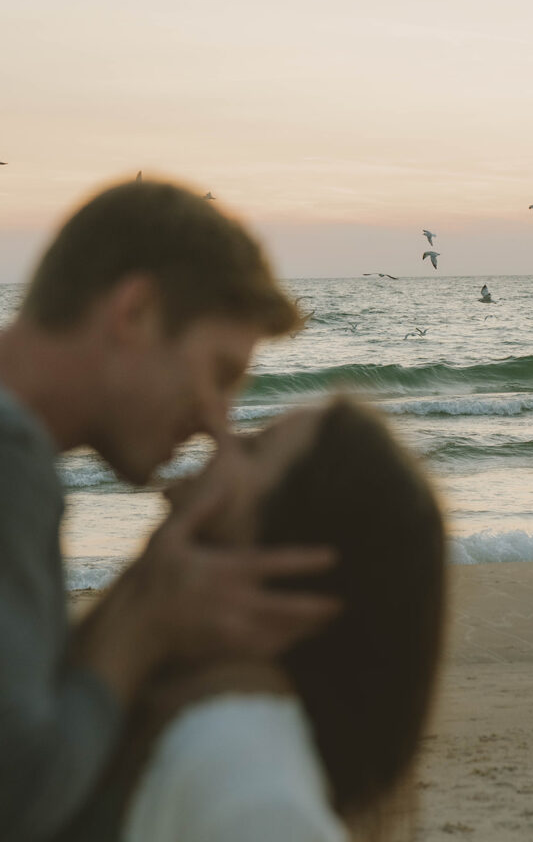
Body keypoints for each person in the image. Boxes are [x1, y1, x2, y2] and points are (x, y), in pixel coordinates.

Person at [0, 179, 338, 842]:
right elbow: (17, 795)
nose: (217, 423)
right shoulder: (10, 462)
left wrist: (143, 593)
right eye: (218, 372)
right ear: (136, 314)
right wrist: (145, 625)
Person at [119, 397, 446, 842]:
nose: (218, 433)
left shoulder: (254, 798)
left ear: (289, 561)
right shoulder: (191, 735)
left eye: (252, 447)